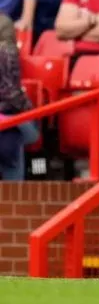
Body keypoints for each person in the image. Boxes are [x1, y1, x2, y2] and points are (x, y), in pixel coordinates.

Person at [0, 14, 34, 180]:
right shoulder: (7, 53)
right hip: (6, 119)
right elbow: (11, 94)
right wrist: (28, 106)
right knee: (26, 132)